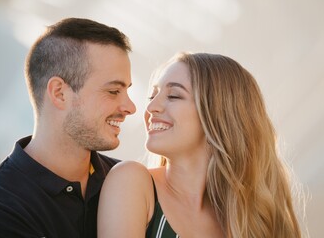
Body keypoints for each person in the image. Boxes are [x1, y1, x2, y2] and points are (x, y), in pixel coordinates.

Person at [98, 52, 302, 238]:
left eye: (174, 96)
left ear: (219, 114)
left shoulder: (251, 216)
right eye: (152, 96)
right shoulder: (133, 181)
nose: (151, 107)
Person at [0, 17, 136, 237]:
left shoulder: (128, 184)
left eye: (127, 91)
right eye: (113, 91)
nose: (130, 107)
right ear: (59, 93)